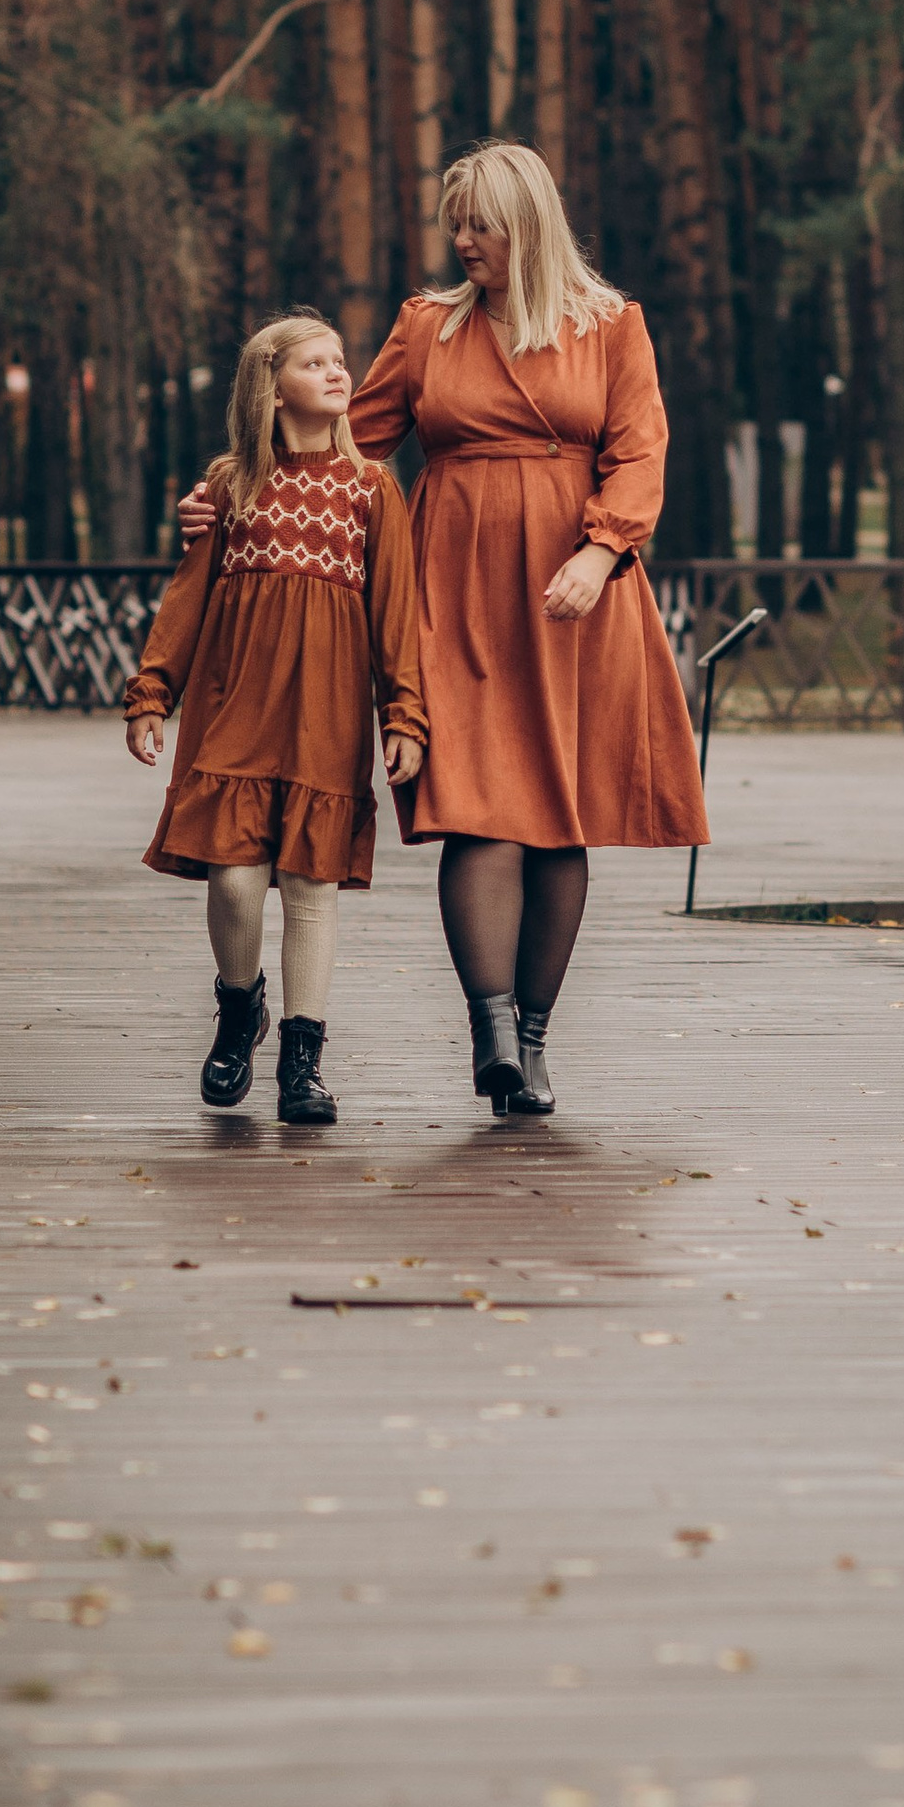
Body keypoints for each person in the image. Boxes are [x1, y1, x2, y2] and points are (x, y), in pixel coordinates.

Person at [178, 143, 706, 1118]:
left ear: (530, 226)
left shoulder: (611, 327)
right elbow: (348, 440)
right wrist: (237, 492)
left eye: (482, 225)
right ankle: (492, 1028)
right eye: (454, 222)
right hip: (455, 589)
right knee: (475, 801)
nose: (462, 240)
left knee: (558, 813)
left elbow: (639, 453)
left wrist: (598, 553)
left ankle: (532, 1041)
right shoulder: (429, 328)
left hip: (575, 594)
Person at [125, 312, 425, 1128]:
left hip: (326, 714)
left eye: (340, 361)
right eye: (314, 363)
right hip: (235, 707)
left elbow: (396, 614)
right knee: (234, 879)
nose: (337, 373)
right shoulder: (229, 485)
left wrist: (406, 714)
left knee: (311, 886)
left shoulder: (372, 489)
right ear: (272, 382)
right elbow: (188, 599)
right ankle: (238, 1007)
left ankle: (303, 1060)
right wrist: (153, 691)